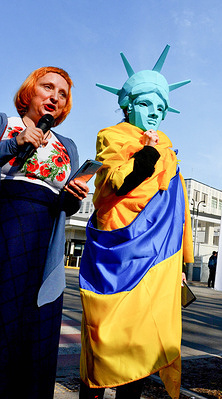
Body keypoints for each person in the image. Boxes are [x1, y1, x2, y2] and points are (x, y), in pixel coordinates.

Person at [79, 46, 194, 399]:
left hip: (158, 257)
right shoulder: (112, 136)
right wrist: (148, 153)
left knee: (142, 346)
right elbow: (114, 182)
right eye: (146, 105)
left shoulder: (168, 149)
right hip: (117, 251)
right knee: (104, 343)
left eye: (160, 108)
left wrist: (182, 263)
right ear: (128, 105)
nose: (155, 114)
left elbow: (178, 209)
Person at [0, 67, 89, 399]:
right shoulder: (4, 123)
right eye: (48, 87)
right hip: (5, 239)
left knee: (36, 339)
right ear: (29, 91)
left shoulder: (67, 146)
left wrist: (73, 198)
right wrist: (14, 144)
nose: (55, 96)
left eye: (62, 93)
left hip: (44, 251)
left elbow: (67, 208)